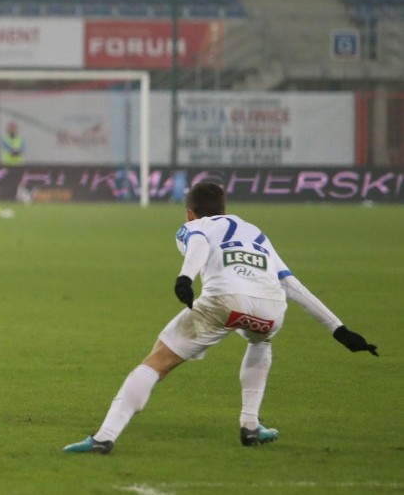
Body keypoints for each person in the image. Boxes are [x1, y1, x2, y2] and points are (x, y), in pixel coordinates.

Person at [64, 182, 378, 454]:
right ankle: (250, 425)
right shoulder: (255, 232)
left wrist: (184, 278)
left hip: (223, 302)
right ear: (224, 208)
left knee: (156, 361)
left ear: (190, 212)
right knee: (260, 339)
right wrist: (339, 329)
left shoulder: (194, 226)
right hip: (271, 309)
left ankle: (104, 438)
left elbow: (198, 243)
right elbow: (290, 283)